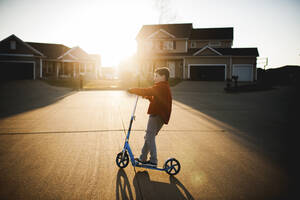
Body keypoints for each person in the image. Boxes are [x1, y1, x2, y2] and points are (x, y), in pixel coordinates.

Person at [127, 67, 172, 166]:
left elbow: (147, 90)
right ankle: (142, 158)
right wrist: (149, 98)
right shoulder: (163, 87)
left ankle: (153, 161)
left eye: (156, 76)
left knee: (149, 137)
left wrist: (133, 90)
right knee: (149, 137)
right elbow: (158, 100)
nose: (154, 78)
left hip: (156, 115)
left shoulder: (161, 86)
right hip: (160, 115)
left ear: (163, 77)